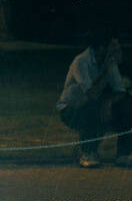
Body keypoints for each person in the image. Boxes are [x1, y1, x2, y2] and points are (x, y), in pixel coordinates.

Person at [56, 27, 131, 168]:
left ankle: (124, 154)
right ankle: (87, 152)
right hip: (71, 109)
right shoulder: (81, 62)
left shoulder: (109, 61)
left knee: (127, 104)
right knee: (91, 106)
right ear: (101, 48)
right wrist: (107, 72)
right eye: (113, 45)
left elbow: (120, 91)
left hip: (96, 105)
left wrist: (109, 102)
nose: (118, 48)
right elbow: (91, 94)